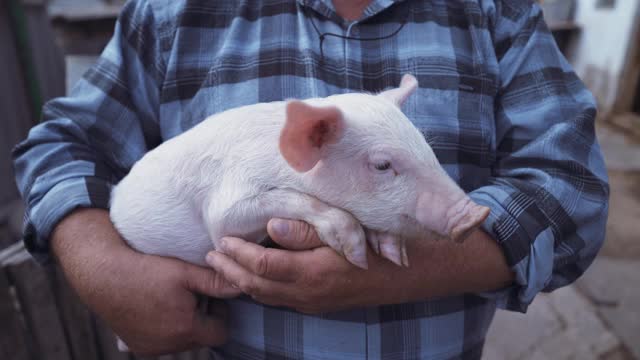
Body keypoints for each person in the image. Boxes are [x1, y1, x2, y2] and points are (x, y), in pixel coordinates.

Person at [12, 0, 609, 359]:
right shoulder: (174, 10)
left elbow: (573, 188)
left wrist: (411, 268)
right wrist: (104, 271)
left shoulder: (493, 10)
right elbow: (65, 142)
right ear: (308, 140)